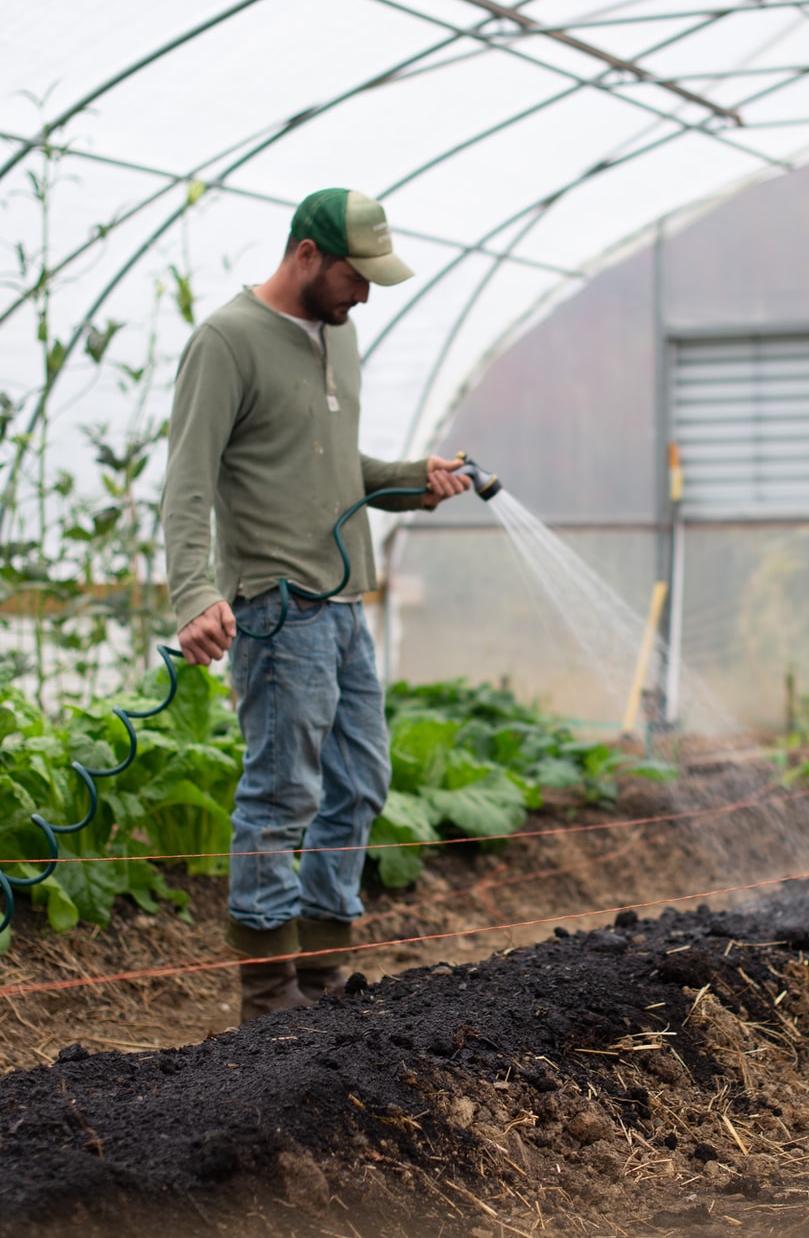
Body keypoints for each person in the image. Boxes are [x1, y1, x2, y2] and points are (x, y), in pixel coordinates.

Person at [161, 187, 471, 1022]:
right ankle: (268, 997)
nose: (365, 292)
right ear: (307, 255)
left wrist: (416, 482)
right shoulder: (227, 342)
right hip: (276, 606)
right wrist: (195, 594)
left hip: (343, 607)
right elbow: (188, 483)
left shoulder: (342, 335)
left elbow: (337, 471)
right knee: (281, 792)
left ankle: (323, 981)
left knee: (361, 779)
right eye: (355, 276)